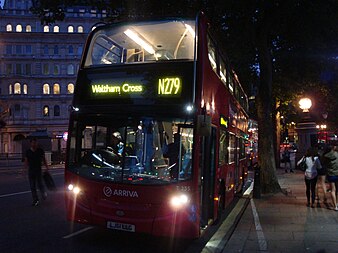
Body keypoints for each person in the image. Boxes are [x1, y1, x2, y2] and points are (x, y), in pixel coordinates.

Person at [24, 138, 49, 206]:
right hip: (31, 170)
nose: (34, 144)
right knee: (32, 186)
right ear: (31, 143)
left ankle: (43, 193)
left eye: (35, 143)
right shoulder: (28, 151)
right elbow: (26, 161)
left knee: (40, 184)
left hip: (38, 170)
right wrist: (24, 170)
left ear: (37, 143)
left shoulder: (40, 151)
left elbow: (44, 159)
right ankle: (35, 200)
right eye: (33, 143)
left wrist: (46, 167)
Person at [323, 145, 338, 211]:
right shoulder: (337, 154)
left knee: (333, 190)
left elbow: (324, 164)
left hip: (331, 174)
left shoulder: (326, 156)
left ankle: (335, 206)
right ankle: (337, 203)